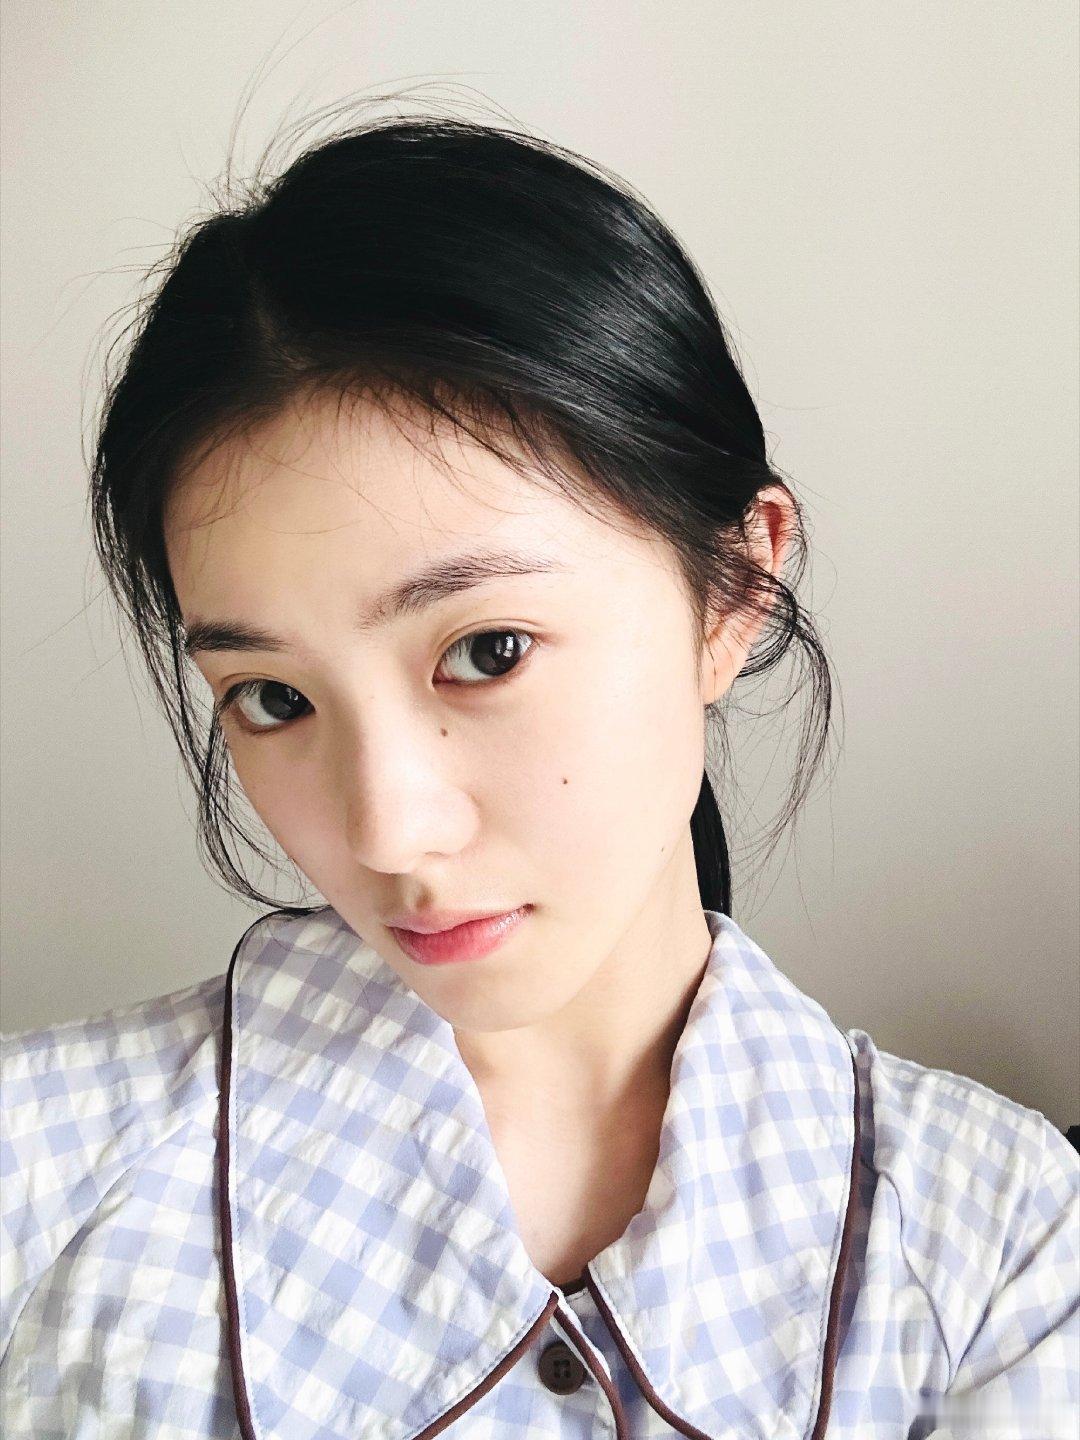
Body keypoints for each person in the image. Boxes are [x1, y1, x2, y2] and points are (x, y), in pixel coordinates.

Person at [1, 112, 1076, 1440]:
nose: (386, 829)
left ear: (735, 587)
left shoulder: (1003, 1255)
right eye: (274, 698)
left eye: (487, 651)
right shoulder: (38, 1173)